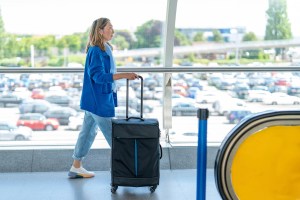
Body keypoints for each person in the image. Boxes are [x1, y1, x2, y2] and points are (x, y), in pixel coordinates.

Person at [68, 17, 139, 179]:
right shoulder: (95, 50)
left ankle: (76, 166)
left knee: (87, 133)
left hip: (96, 100)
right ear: (100, 30)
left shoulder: (105, 48)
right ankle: (127, 171)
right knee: (115, 136)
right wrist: (124, 75)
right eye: (109, 28)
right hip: (98, 101)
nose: (112, 31)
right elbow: (98, 77)